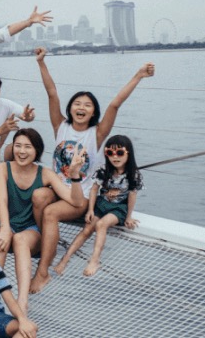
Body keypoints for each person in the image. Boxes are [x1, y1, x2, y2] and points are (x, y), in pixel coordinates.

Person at [29, 47, 155, 294]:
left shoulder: (96, 134)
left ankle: (43, 271)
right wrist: (41, 62)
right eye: (77, 103)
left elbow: (115, 104)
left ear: (93, 112)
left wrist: (138, 75)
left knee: (51, 213)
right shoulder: (60, 126)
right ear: (70, 108)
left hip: (81, 195)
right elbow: (52, 93)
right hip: (57, 188)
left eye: (87, 105)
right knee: (38, 197)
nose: (81, 107)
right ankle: (45, 245)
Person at [0, 129, 85, 313]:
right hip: (4, 223)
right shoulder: (3, 168)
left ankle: (22, 302)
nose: (22, 151)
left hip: (30, 229)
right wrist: (5, 228)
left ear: (37, 150)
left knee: (20, 240)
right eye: (18, 146)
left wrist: (74, 175)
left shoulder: (46, 174)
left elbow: (77, 201)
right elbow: (1, 200)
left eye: (27, 147)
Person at [54, 135, 143, 277]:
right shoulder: (103, 170)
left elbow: (132, 195)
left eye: (120, 153)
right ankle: (65, 259)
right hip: (102, 204)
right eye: (110, 153)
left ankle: (95, 260)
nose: (115, 157)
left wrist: (128, 216)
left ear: (128, 154)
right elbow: (94, 189)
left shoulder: (134, 175)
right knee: (87, 230)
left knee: (101, 224)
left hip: (118, 208)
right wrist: (90, 210)